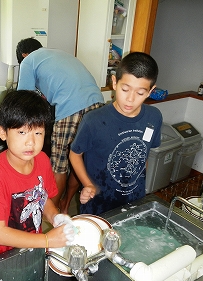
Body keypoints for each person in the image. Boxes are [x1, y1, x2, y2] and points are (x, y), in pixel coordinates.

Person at [0, 90, 75, 260]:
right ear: (3, 133)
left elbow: (42, 198)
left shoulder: (42, 160)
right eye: (22, 132)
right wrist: (47, 239)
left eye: (38, 133)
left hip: (33, 248)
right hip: (0, 258)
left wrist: (54, 216)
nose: (31, 142)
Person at [16, 38, 104, 214]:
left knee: (59, 166)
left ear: (24, 55)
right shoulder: (57, 53)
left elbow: (22, 100)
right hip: (99, 105)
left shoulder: (28, 60)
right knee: (78, 159)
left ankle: (51, 215)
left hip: (71, 110)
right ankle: (65, 205)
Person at [69, 52, 163, 215]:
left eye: (140, 93)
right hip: (98, 203)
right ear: (114, 82)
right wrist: (88, 184)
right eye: (125, 89)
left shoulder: (154, 117)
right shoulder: (93, 120)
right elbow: (74, 154)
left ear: (150, 91)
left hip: (134, 200)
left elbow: (144, 154)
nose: (130, 99)